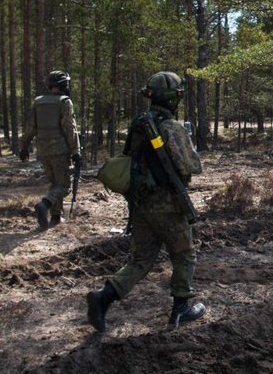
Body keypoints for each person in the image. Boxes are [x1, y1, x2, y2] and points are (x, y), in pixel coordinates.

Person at [86, 71, 205, 332]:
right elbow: (192, 165)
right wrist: (189, 140)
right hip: (168, 204)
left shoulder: (140, 124)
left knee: (140, 260)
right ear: (175, 98)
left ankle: (103, 297)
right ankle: (181, 307)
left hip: (140, 204)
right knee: (184, 254)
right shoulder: (171, 127)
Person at [19, 70, 81, 229]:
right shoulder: (65, 102)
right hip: (60, 150)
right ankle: (44, 205)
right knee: (64, 185)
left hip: (43, 150)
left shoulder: (38, 102)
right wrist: (76, 151)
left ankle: (55, 217)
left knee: (55, 183)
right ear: (64, 85)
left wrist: (24, 147)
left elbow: (30, 127)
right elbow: (69, 128)